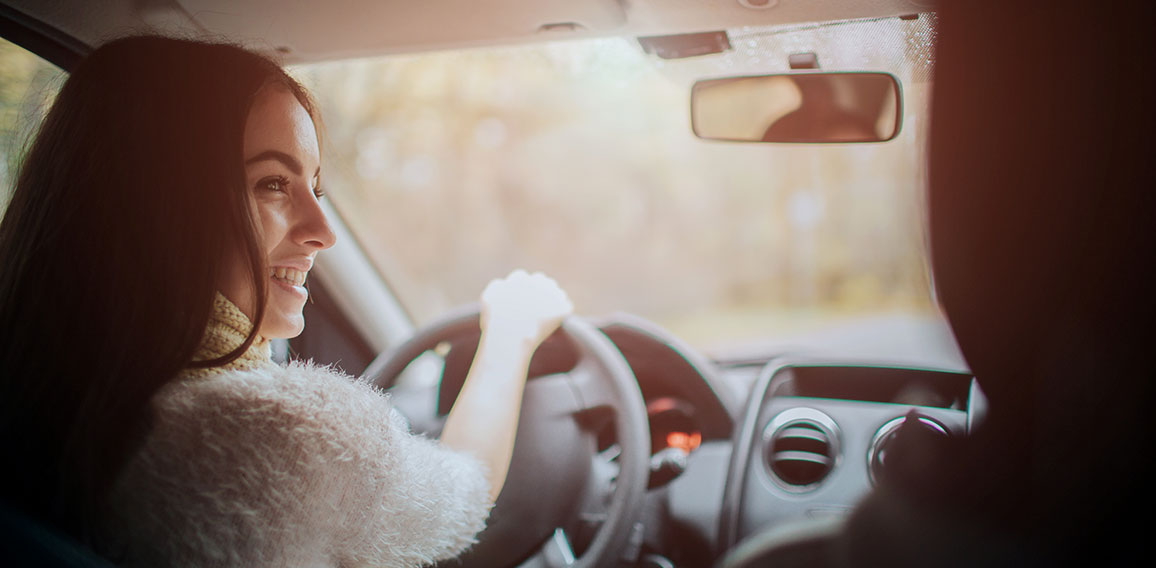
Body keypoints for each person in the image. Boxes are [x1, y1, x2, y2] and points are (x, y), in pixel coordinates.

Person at [0, 35, 571, 566]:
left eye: (315, 187)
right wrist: (512, 333)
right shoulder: (269, 433)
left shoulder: (42, 387)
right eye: (273, 183)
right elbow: (466, 491)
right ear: (159, 211)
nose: (324, 229)